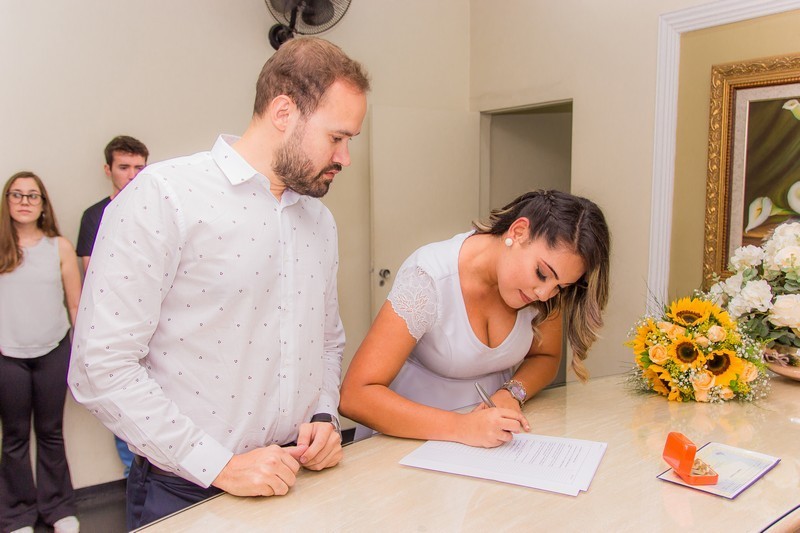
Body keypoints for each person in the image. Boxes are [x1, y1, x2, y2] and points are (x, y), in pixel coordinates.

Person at [68, 37, 370, 530]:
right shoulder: (164, 196)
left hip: (294, 475)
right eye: (337, 137)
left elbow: (326, 341)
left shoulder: (319, 221)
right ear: (283, 112)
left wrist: (323, 415)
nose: (345, 157)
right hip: (184, 489)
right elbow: (99, 366)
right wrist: (220, 466)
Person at [339, 190, 610, 448]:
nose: (544, 293)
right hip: (409, 440)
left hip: (489, 440)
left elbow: (545, 357)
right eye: (541, 273)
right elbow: (355, 396)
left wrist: (511, 393)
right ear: (518, 232)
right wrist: (462, 427)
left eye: (560, 286)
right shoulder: (429, 277)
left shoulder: (544, 293)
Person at [0, 172, 82, 533]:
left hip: (53, 351)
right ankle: (17, 515)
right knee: (14, 437)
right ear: (7, 201)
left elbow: (76, 305)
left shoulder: (59, 247)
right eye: (16, 194)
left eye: (32, 195)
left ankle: (58, 508)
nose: (24, 201)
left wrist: (84, 355)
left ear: (43, 204)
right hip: (8, 356)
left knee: (51, 431)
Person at [75, 135, 149, 477]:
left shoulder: (154, 212)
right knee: (123, 402)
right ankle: (133, 479)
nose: (132, 175)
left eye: (139, 168)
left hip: (156, 323)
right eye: (124, 167)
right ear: (108, 170)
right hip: (117, 324)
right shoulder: (95, 216)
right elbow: (95, 277)